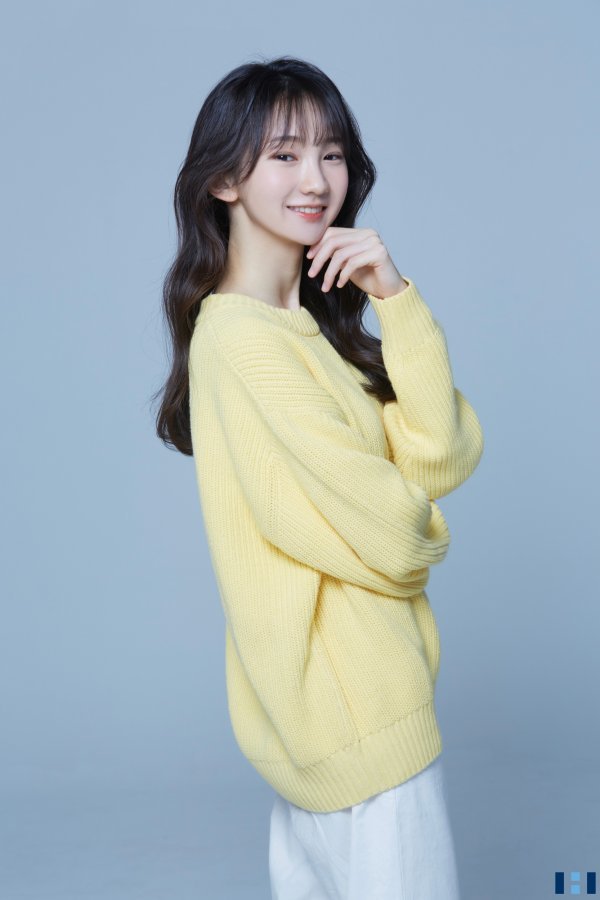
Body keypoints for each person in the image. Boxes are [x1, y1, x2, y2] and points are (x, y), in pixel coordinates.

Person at [154, 54, 484, 900]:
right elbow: (396, 534)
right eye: (285, 154)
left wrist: (394, 297)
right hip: (355, 712)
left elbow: (441, 455)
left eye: (331, 153)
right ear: (224, 180)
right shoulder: (242, 341)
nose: (316, 179)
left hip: (343, 716)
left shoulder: (311, 332)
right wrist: (420, 525)